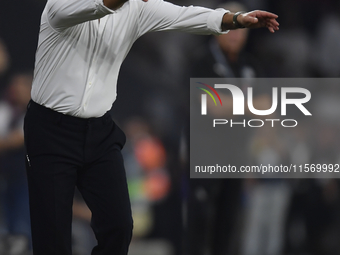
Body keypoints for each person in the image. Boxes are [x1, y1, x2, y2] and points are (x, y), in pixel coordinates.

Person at [24, 0, 279, 254]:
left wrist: (235, 20)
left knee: (119, 226)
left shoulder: (136, 9)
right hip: (51, 130)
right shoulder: (60, 3)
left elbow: (185, 16)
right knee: (52, 237)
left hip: (99, 130)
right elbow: (99, 7)